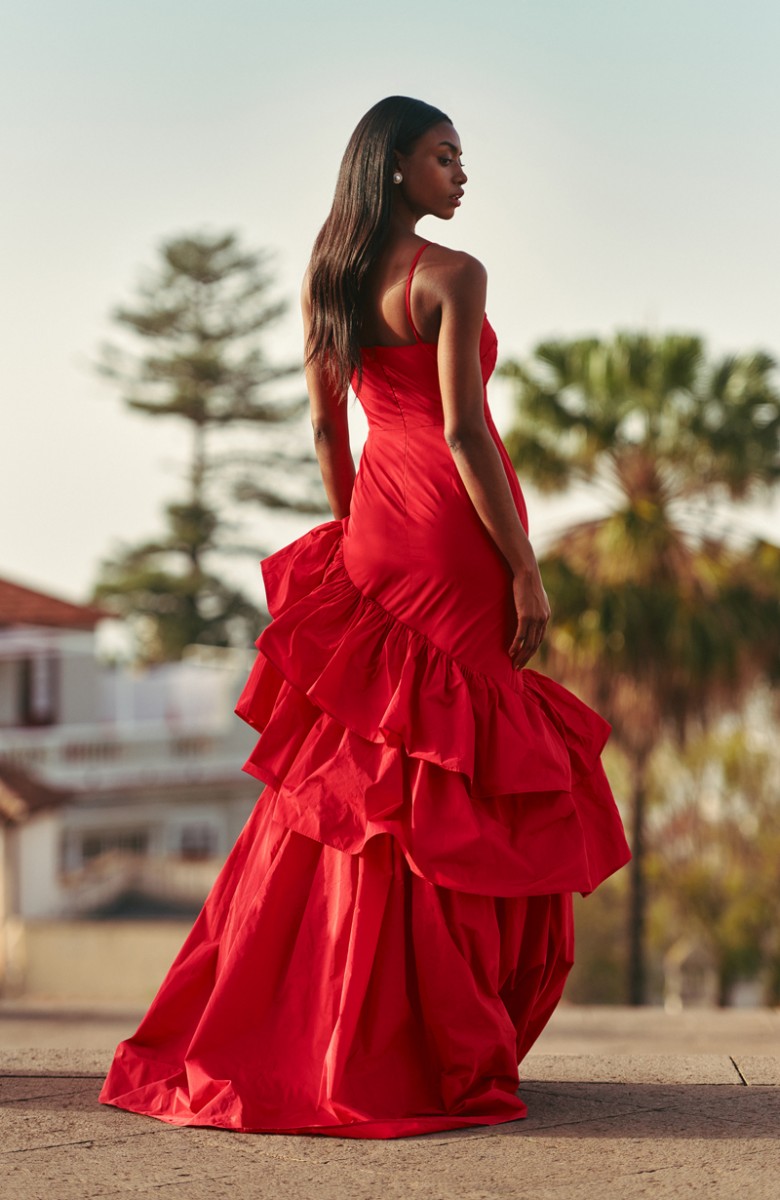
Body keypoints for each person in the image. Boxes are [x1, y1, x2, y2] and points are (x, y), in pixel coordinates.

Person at [99, 96, 631, 1138]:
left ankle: (327, 1020)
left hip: (384, 520)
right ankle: (422, 1038)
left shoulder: (329, 274)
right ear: (395, 168)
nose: (462, 175)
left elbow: (321, 420)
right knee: (447, 768)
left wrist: (351, 526)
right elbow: (469, 434)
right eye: (445, 157)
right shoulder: (454, 275)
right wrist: (523, 570)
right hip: (458, 534)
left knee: (372, 760)